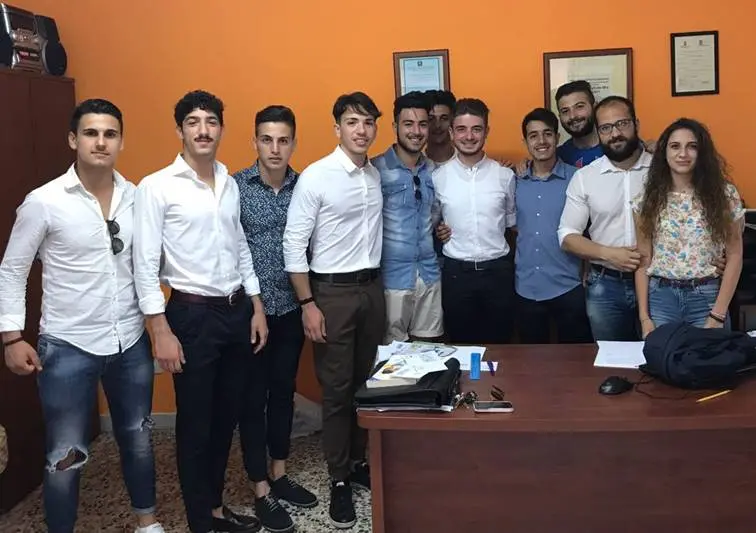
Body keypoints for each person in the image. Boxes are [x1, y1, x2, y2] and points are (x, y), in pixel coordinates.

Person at [0, 99, 164, 533]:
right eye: (91, 133)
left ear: (121, 142)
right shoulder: (45, 201)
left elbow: (151, 261)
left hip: (129, 340)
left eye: (110, 134)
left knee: (139, 438)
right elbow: (12, 269)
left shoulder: (137, 198)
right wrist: (11, 337)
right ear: (74, 140)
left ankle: (147, 522)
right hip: (67, 346)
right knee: (65, 455)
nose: (101, 142)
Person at [133, 90, 267, 533]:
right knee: (195, 425)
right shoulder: (157, 186)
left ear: (221, 129)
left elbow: (240, 246)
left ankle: (214, 508)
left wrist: (256, 305)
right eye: (193, 122)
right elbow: (143, 264)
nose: (203, 130)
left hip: (235, 311)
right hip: (191, 317)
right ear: (180, 130)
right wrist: (159, 329)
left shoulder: (228, 181)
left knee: (226, 417)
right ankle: (199, 522)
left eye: (211, 121)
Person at [283, 91, 384, 529]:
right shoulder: (317, 177)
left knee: (367, 384)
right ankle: (338, 477)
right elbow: (293, 245)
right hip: (332, 293)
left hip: (371, 290)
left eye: (368, 122)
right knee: (338, 389)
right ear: (336, 128)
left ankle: (358, 463)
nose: (361, 130)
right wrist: (308, 303)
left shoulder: (373, 174)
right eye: (352, 122)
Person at [234, 105, 317, 533]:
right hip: (250, 313)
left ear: (293, 143)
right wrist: (252, 307)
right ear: (255, 141)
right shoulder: (235, 188)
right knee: (253, 400)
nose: (275, 148)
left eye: (283, 140)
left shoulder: (305, 187)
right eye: (266, 139)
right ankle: (260, 486)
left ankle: (280, 473)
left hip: (291, 308)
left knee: (284, 392)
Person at [633, 118, 744, 337]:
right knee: (664, 358)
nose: (683, 154)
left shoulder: (724, 195)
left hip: (707, 297)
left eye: (692, 146)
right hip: (661, 298)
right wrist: (644, 317)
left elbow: (735, 255)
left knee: (709, 357)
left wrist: (718, 315)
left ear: (702, 153)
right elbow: (644, 259)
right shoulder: (647, 198)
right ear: (664, 152)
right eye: (675, 146)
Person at [558, 95, 651, 341]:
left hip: (659, 284)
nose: (615, 134)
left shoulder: (662, 170)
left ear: (636, 124)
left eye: (622, 124)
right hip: (605, 286)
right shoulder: (585, 177)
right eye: (606, 128)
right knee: (610, 357)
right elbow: (567, 236)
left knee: (659, 353)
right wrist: (609, 254)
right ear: (598, 133)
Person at [433, 98, 516, 344]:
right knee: (461, 346)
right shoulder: (437, 178)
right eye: (461, 129)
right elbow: (432, 222)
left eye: (476, 129)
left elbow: (512, 225)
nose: (469, 136)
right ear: (451, 132)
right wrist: (439, 230)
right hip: (456, 275)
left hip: (498, 273)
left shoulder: (505, 176)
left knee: (501, 347)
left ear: (486, 131)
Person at [514, 108, 593, 343]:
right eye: (533, 135)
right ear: (525, 142)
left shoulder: (578, 178)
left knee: (575, 358)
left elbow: (592, 227)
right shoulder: (513, 180)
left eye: (547, 134)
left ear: (557, 138)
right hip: (526, 287)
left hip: (569, 285)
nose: (541, 141)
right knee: (531, 358)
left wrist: (589, 267)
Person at [372, 91, 443, 343]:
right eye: (408, 124)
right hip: (392, 279)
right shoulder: (375, 170)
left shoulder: (435, 171)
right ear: (395, 127)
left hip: (429, 274)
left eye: (422, 124)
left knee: (428, 353)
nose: (416, 131)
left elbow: (438, 216)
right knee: (391, 358)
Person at [554, 80, 604, 168]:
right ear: (559, 116)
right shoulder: (558, 157)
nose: (572, 116)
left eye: (579, 106)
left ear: (595, 107)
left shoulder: (615, 147)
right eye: (565, 111)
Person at [424, 89, 457, 165]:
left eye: (444, 118)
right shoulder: (414, 164)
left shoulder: (465, 162)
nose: (437, 125)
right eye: (431, 119)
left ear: (453, 120)